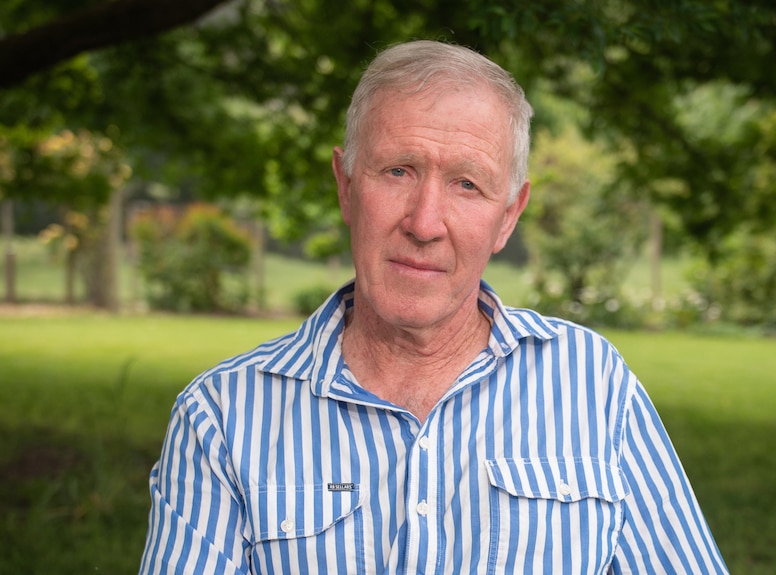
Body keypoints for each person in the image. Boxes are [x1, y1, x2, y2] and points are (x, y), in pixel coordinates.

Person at [139, 40, 728, 574]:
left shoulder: (593, 384)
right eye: (398, 171)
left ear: (508, 216)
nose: (424, 223)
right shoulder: (219, 416)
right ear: (346, 187)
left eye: (467, 184)